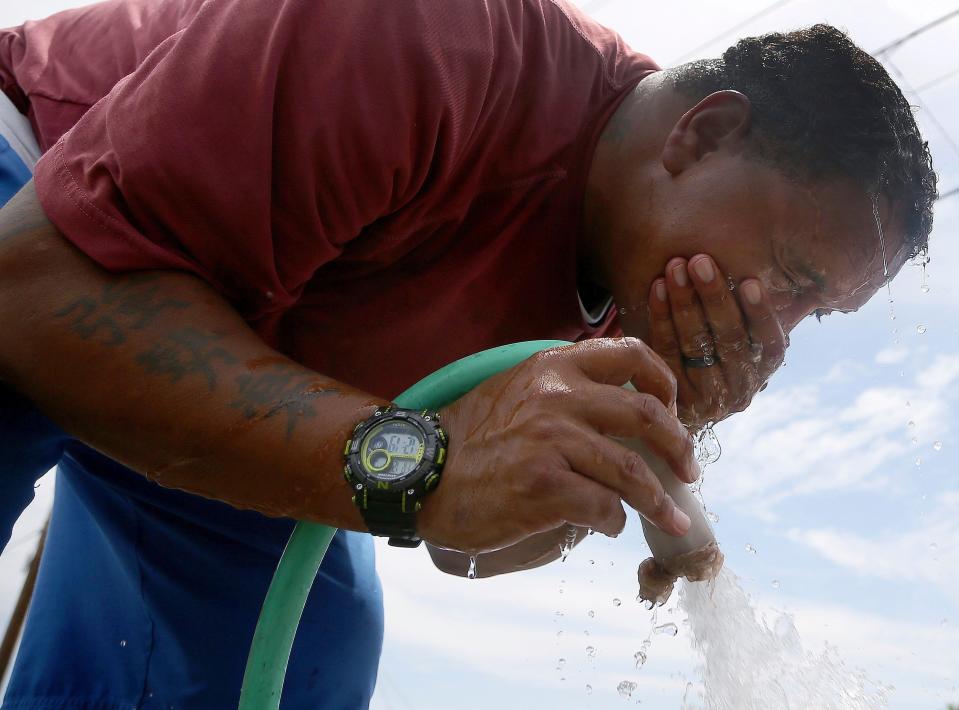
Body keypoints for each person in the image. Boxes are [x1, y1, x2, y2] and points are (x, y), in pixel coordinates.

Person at [0, 0, 936, 707]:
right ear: (703, 134)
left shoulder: (627, 309)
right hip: (40, 194)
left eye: (815, 315)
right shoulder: (441, 37)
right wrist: (418, 467)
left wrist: (648, 429)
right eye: (788, 275)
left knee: (305, 653)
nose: (770, 334)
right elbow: (32, 294)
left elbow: (466, 551)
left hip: (241, 350)